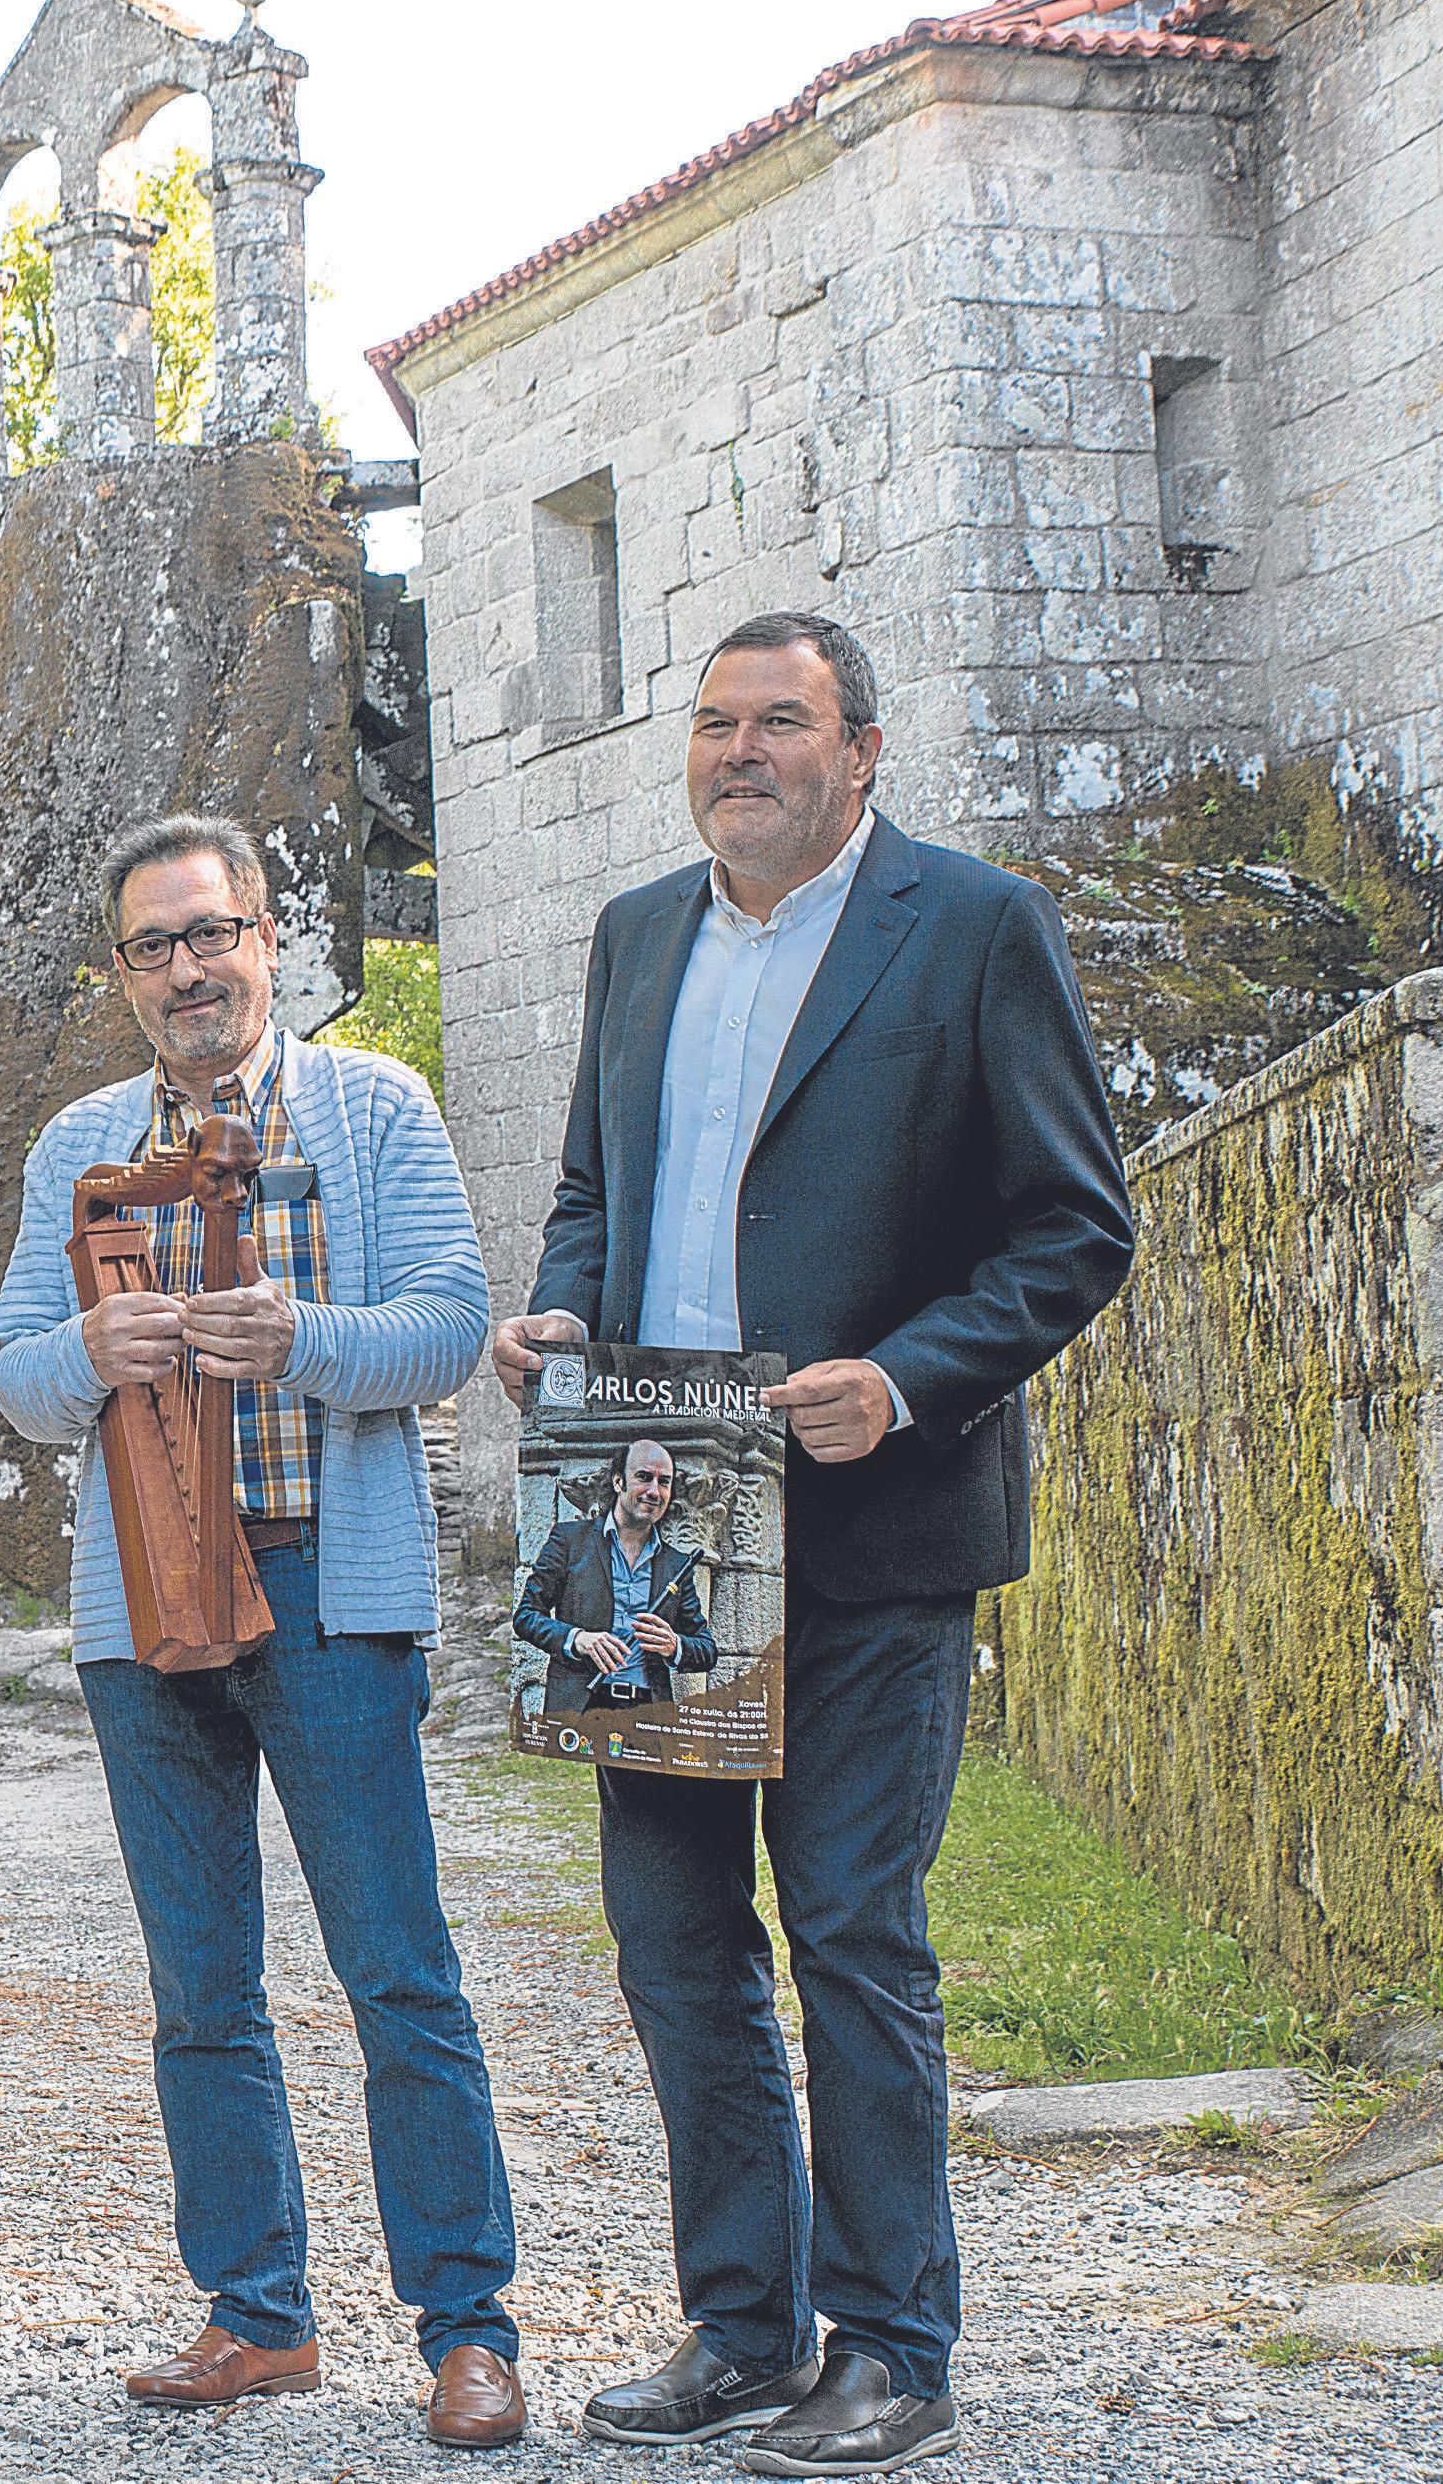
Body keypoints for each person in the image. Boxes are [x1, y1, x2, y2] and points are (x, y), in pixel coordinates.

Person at [489, 611, 1134, 2478]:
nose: (739, 753)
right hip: (649, 1524)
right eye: (714, 724)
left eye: (782, 723)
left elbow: (1075, 1225)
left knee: (851, 1935)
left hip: (869, 1521)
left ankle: (893, 2348)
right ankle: (742, 2329)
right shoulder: (634, 939)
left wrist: (914, 1379)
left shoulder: (976, 926)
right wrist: (553, 1313)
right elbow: (596, 1194)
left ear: (866, 749)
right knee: (675, 1942)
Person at [0, 814, 529, 2452]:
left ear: (271, 939)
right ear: (126, 974)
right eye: (155, 946)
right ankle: (256, 2317)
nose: (187, 968)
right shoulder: (78, 1139)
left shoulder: (374, 1109)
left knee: (396, 1974)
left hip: (325, 1591)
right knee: (199, 1989)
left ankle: (468, 2328)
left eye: (211, 933)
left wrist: (299, 1338)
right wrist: (93, 1344)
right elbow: (13, 1383)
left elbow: (446, 1328)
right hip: (142, 1602)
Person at [512, 1441, 716, 1715]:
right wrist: (578, 1638)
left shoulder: (676, 1564)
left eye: (664, 1482)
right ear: (618, 1482)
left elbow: (707, 1649)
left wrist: (674, 1645)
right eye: (644, 1478)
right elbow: (525, 1616)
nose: (654, 1491)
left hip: (648, 1714)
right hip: (579, 1708)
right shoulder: (569, 1540)